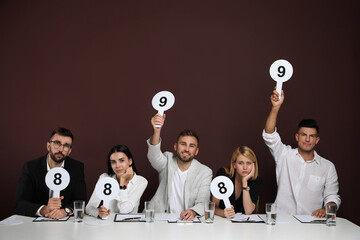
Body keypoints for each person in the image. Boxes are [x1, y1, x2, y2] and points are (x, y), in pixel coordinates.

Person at [263, 88, 340, 217]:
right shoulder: (284, 155)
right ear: (297, 137)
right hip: (282, 221)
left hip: (311, 223)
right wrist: (275, 107)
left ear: (317, 140)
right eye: (304, 135)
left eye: (312, 136)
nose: (307, 139)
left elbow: (332, 196)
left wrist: (327, 208)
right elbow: (269, 135)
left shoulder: (328, 167)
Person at [147, 113, 213, 221]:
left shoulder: (205, 172)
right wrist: (157, 130)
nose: (187, 149)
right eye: (183, 144)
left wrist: (193, 211)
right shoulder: (167, 160)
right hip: (160, 219)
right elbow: (154, 155)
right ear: (175, 146)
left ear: (196, 151)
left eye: (191, 146)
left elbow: (204, 200)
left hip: (188, 222)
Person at [14, 127, 86, 219]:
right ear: (48, 146)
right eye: (57, 143)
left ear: (69, 151)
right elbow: (19, 204)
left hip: (66, 224)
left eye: (66, 145)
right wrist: (43, 209)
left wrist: (65, 211)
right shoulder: (31, 167)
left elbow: (81, 201)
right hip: (35, 224)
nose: (61, 149)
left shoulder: (77, 168)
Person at [86, 145, 148, 218]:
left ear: (130, 161)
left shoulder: (141, 181)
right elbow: (88, 208)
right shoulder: (104, 178)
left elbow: (124, 211)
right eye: (113, 162)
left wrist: (122, 184)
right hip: (107, 224)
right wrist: (98, 213)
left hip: (129, 226)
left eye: (121, 160)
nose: (117, 166)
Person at [212, 146, 262, 218]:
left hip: (243, 226)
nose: (245, 167)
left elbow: (248, 211)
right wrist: (224, 213)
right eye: (241, 163)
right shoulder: (223, 174)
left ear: (253, 165)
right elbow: (213, 207)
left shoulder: (256, 181)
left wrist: (244, 182)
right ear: (234, 164)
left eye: (248, 163)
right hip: (223, 223)